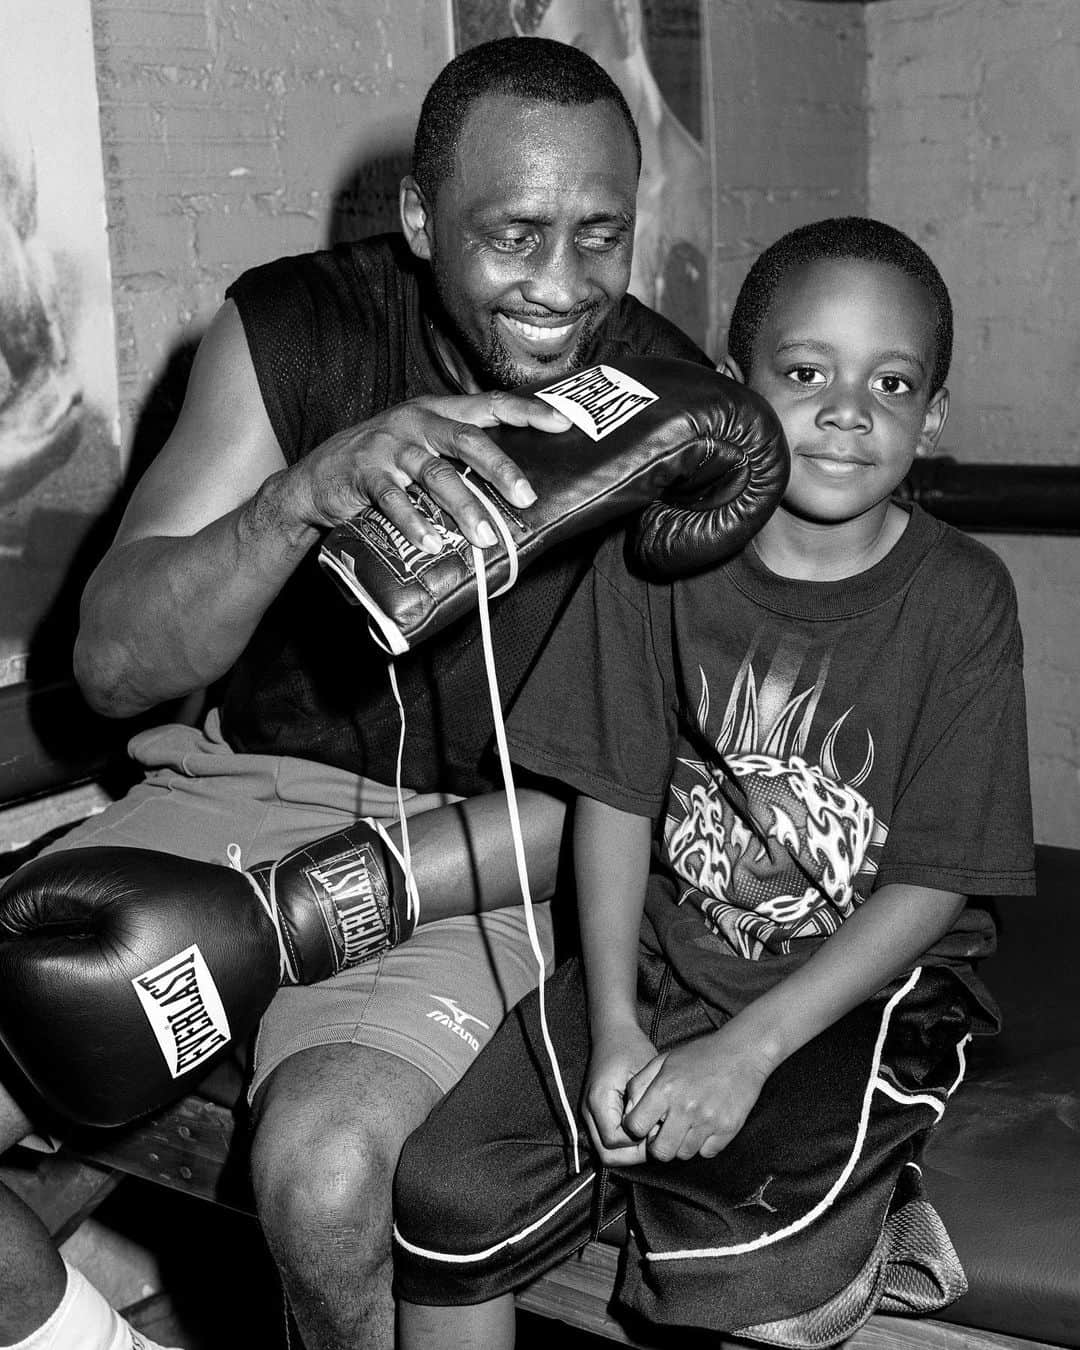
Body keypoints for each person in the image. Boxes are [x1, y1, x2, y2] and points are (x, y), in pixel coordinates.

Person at [0, 36, 714, 1350]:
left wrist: (338, 904)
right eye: (516, 234)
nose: (562, 287)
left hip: (481, 848)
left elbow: (657, 802)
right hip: (230, 790)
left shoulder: (670, 413)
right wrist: (294, 499)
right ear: (419, 216)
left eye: (600, 233)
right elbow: (111, 665)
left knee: (328, 1182)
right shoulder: (295, 327)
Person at [392, 216, 1038, 1347]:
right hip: (661, 948)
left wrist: (745, 1053)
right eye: (804, 372)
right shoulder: (651, 551)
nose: (850, 409)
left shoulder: (962, 597)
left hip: (869, 982)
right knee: (445, 1197)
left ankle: (867, 1193)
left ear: (933, 416)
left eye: (893, 382)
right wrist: (615, 1024)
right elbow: (616, 798)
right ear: (734, 388)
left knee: (739, 1262)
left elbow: (935, 881)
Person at [510, 0, 711, 349]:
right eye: (551, 77)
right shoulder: (553, 212)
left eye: (583, 58)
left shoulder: (709, 196)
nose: (566, 100)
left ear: (625, 20)